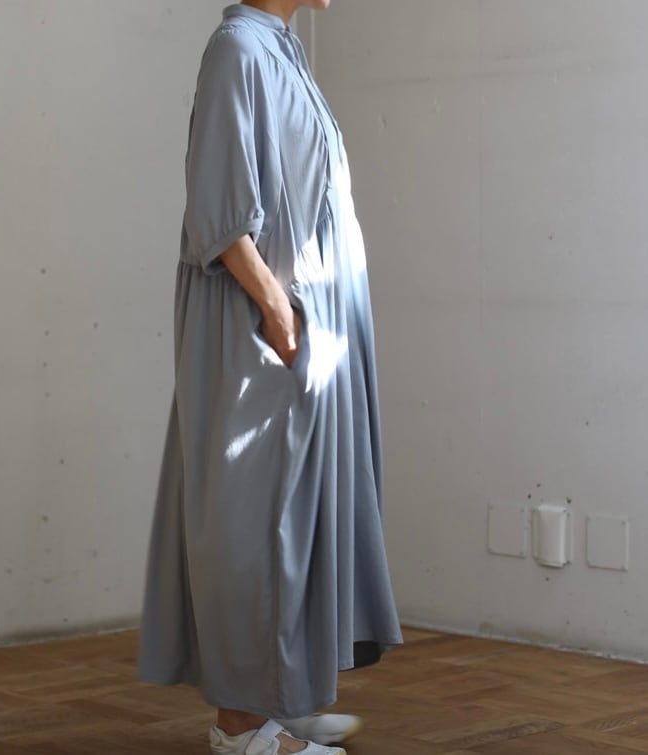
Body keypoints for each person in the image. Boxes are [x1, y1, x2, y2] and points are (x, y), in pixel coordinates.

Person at [137, 2, 403, 753]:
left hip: (300, 329)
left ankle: (277, 702)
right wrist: (280, 315)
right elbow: (219, 213)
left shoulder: (281, 49)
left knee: (295, 522)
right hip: (264, 330)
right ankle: (242, 729)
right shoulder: (238, 51)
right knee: (253, 522)